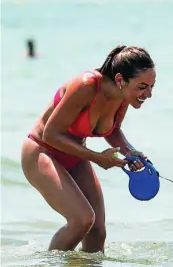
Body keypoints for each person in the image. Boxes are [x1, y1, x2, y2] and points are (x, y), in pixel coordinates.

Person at [21, 45, 156, 253]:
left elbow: (112, 130)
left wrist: (129, 151)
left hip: (75, 154)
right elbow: (51, 134)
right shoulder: (85, 86)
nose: (148, 94)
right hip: (41, 151)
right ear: (120, 80)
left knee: (98, 232)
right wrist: (96, 158)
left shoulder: (123, 96)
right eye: (142, 86)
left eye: (152, 87)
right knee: (81, 220)